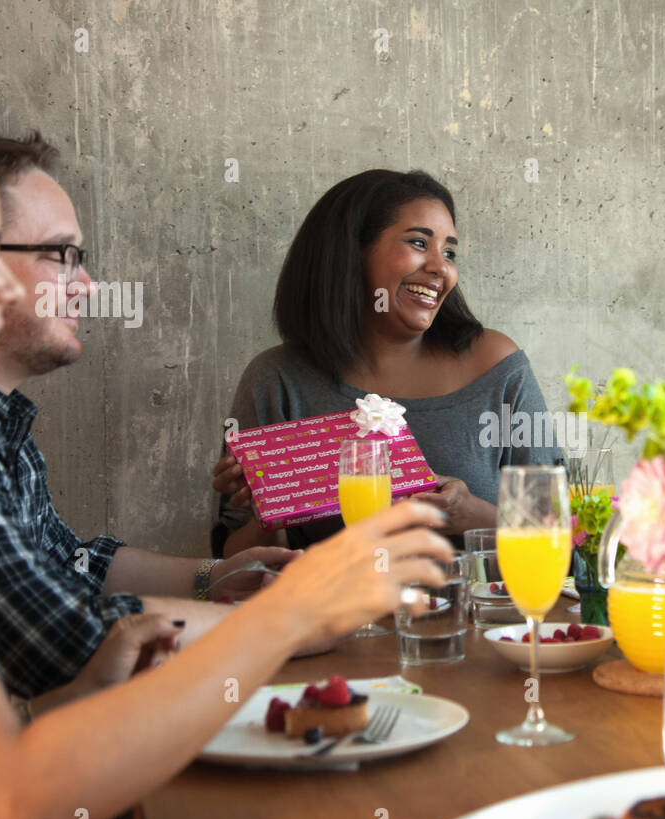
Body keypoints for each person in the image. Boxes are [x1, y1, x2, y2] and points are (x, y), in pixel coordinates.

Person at [0, 88, 451, 819]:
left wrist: (102, 674)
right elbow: (14, 802)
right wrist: (295, 611)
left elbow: (7, 715)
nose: (8, 290)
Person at [0, 130, 297, 701]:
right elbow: (58, 640)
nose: (85, 285)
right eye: (59, 255)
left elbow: (70, 560)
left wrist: (216, 578)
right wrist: (297, 617)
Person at [213, 169, 560, 556]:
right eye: (418, 243)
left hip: (484, 613)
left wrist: (469, 514)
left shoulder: (497, 367)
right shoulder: (277, 380)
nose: (440, 268)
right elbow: (233, 566)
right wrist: (266, 509)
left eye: (449, 252)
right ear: (351, 252)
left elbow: (562, 539)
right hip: (338, 613)